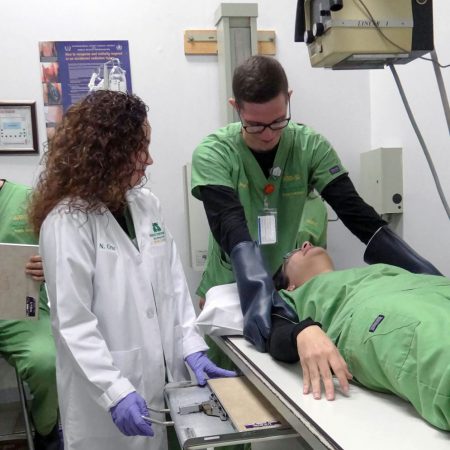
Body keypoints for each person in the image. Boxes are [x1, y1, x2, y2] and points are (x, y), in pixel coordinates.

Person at [191, 55, 441, 355]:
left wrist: (422, 272)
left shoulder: (310, 146)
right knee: (233, 366)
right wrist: (256, 291)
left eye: (278, 121)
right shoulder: (214, 153)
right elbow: (229, 223)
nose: (269, 134)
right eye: (255, 125)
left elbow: (355, 212)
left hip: (291, 290)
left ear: (289, 99)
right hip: (231, 285)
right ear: (236, 108)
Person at [28, 91, 236, 450]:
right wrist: (115, 391)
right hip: (105, 394)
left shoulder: (145, 205)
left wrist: (191, 347)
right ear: (109, 152)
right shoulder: (67, 222)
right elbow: (73, 324)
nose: (149, 159)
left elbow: (173, 285)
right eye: (141, 148)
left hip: (162, 382)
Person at [268, 241, 449, 431]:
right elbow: (276, 334)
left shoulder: (366, 272)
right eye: (293, 252)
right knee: (436, 341)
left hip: (434, 288)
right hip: (383, 311)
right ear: (290, 286)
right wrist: (302, 331)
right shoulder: (290, 297)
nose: (306, 243)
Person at [0, 179, 60, 450]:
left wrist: (49, 266)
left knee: (47, 360)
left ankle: (47, 430)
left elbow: (65, 251)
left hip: (19, 312)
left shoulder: (29, 200)